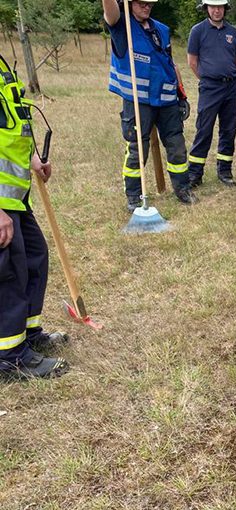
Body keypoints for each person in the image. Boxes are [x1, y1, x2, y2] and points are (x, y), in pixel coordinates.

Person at [0, 53, 70, 381]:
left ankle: (28, 334)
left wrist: (31, 162)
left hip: (14, 195)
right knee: (9, 273)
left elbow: (9, 127)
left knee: (34, 257)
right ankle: (10, 357)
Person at [102, 0, 197, 211]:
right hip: (138, 101)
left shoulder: (161, 30)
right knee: (137, 148)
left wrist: (181, 94)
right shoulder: (121, 26)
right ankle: (134, 196)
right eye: (142, 3)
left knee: (177, 146)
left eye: (150, 4)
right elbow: (110, 11)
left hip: (167, 100)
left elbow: (170, 64)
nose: (147, 7)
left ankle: (182, 188)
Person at [186, 0, 236, 188]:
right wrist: (208, 78)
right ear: (206, 8)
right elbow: (192, 62)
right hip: (209, 88)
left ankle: (224, 170)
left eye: (220, 7)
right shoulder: (197, 31)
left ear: (225, 8)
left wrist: (227, 75)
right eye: (213, 7)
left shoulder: (234, 33)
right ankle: (195, 173)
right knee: (204, 129)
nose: (217, 10)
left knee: (229, 129)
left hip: (231, 88)